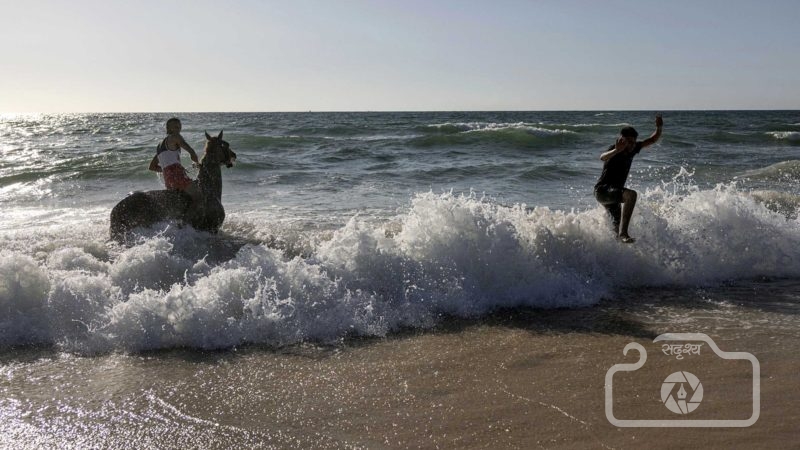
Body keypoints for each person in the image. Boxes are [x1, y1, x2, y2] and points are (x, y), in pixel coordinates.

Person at [594, 113, 663, 243]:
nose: (631, 145)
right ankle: (624, 233)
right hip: (603, 191)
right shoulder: (614, 150)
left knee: (614, 231)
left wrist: (659, 127)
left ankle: (611, 255)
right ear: (622, 140)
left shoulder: (634, 148)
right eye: (628, 142)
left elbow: (652, 139)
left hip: (614, 196)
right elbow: (602, 157)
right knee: (631, 195)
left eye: (633, 142)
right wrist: (616, 150)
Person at [148, 118, 200, 193]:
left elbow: (152, 167)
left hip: (168, 180)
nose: (178, 129)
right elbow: (191, 151)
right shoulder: (176, 136)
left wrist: (167, 171)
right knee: (198, 194)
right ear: (168, 128)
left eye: (179, 126)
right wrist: (197, 164)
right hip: (177, 175)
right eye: (175, 127)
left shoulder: (160, 145)